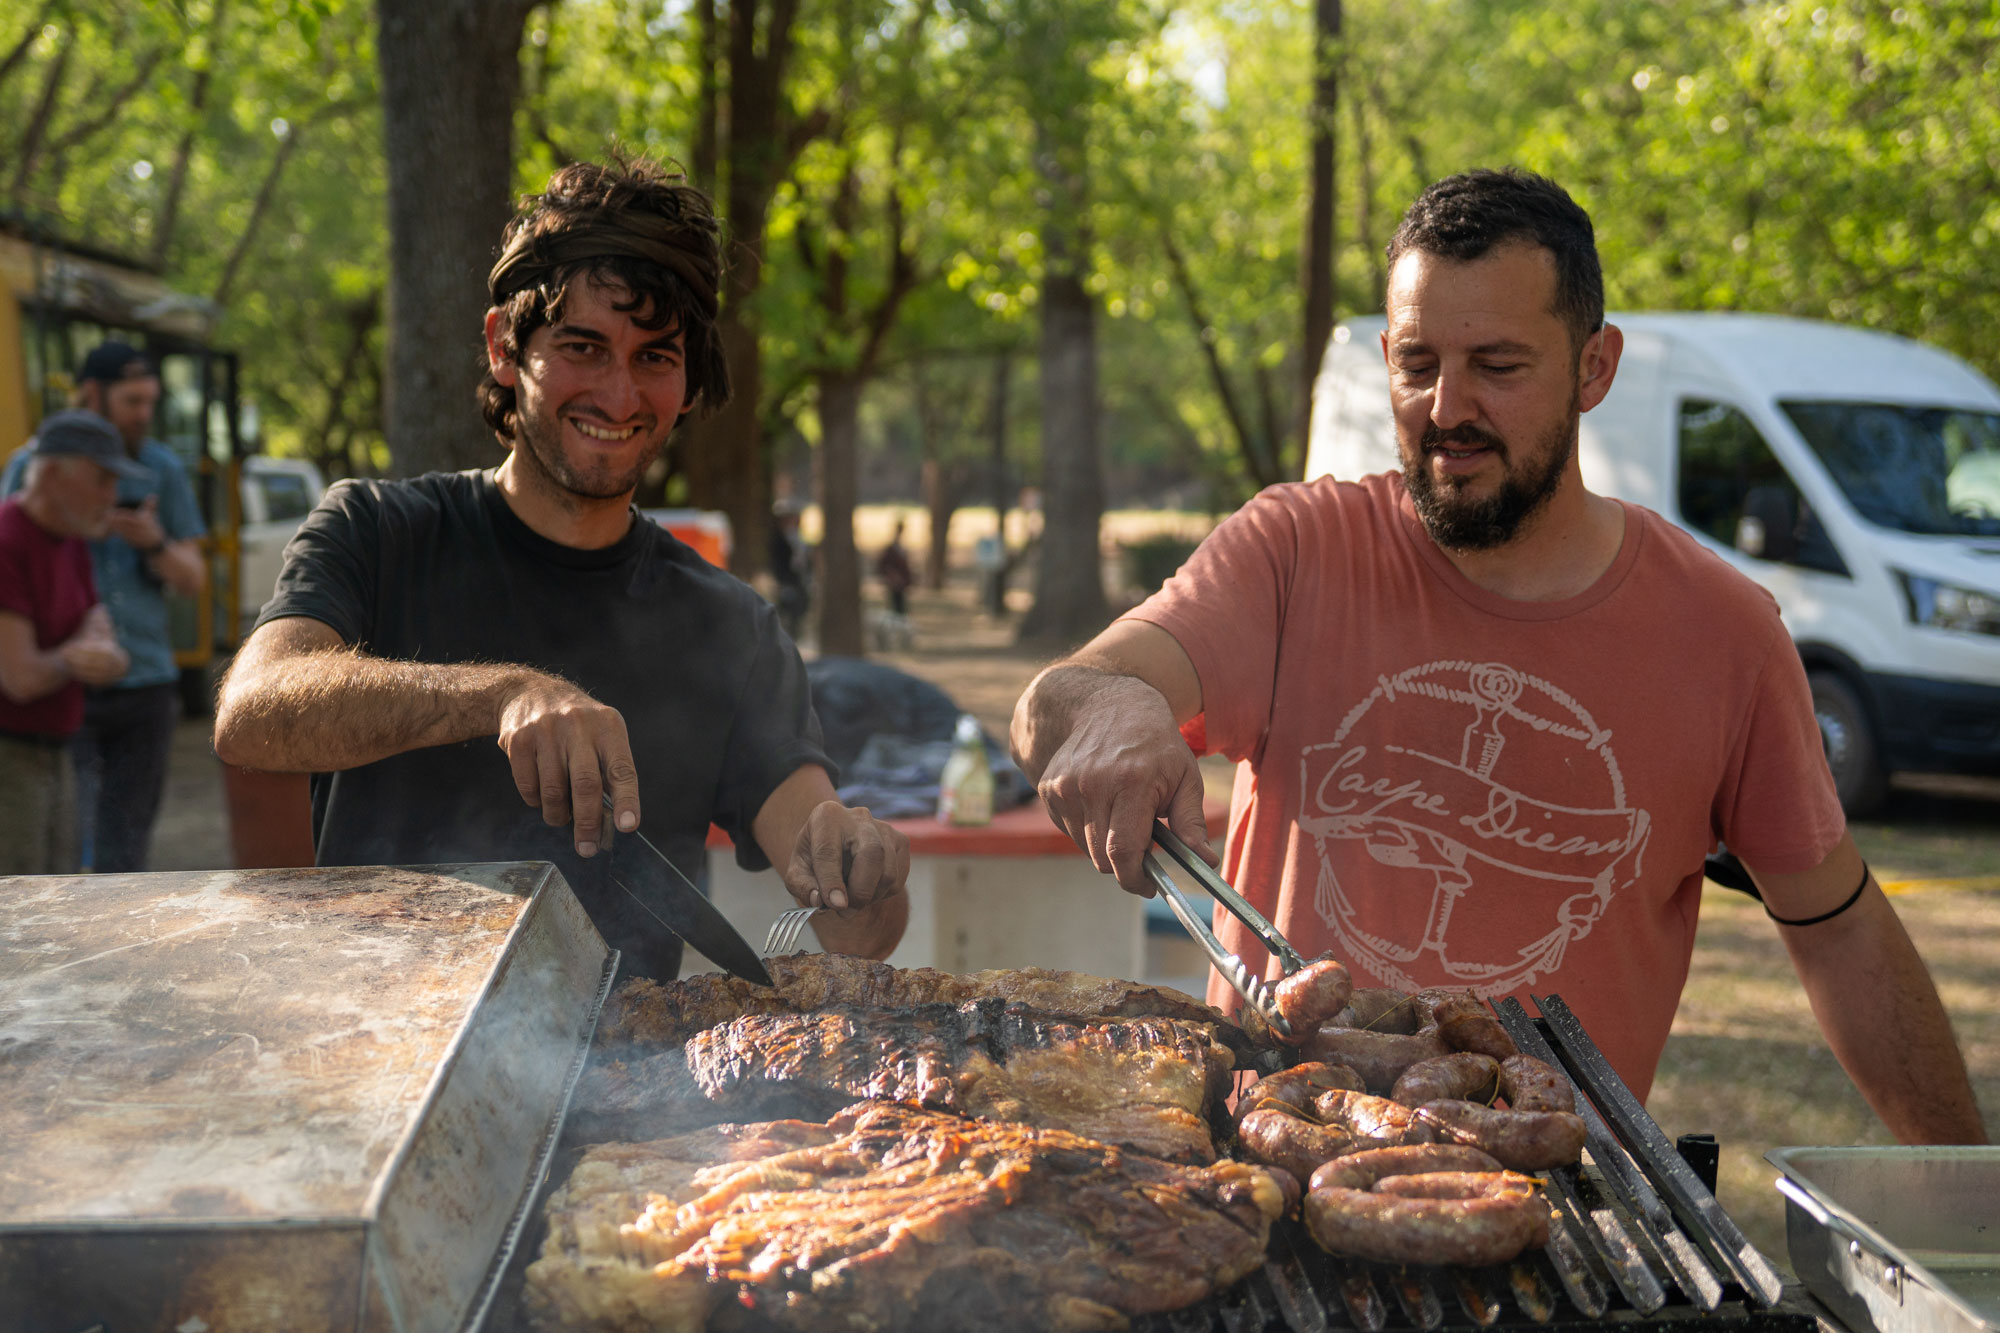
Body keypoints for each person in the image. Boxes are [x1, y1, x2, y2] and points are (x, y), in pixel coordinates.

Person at [1011, 168, 1984, 1143]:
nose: (1445, 408)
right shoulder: (1296, 551)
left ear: (1592, 368)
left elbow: (1840, 930)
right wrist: (1114, 708)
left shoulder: (1722, 631)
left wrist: (1968, 1208)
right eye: (1415, 361)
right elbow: (1063, 697)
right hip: (1281, 1175)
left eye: (1497, 365)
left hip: (1565, 1222)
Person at [213, 158, 908, 974]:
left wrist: (861, 868)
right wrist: (502, 696)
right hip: (368, 1050)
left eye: (654, 357)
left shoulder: (730, 627)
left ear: (688, 383)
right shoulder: (376, 530)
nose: (619, 396)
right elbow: (251, 712)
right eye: (583, 347)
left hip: (624, 1092)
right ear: (505, 347)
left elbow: (856, 934)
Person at [1, 342, 207, 873]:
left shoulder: (157, 468)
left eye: (150, 402)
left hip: (140, 684)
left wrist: (155, 543)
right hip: (38, 718)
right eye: (131, 400)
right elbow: (20, 672)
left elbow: (193, 581)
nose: (145, 414)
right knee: (40, 880)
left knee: (113, 862)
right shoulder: (28, 492)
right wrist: (74, 657)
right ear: (93, 394)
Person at [0, 412, 137, 874]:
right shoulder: (6, 539)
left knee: (59, 900)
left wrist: (94, 654)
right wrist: (78, 655)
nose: (111, 496)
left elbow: (104, 639)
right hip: (11, 757)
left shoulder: (70, 538)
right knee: (20, 914)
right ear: (55, 474)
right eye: (102, 479)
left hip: (54, 752)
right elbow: (20, 678)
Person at [877, 518, 915, 618]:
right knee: (894, 609)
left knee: (901, 608)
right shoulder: (891, 549)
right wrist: (893, 578)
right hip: (894, 584)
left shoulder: (900, 547)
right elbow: (885, 566)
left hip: (901, 584)